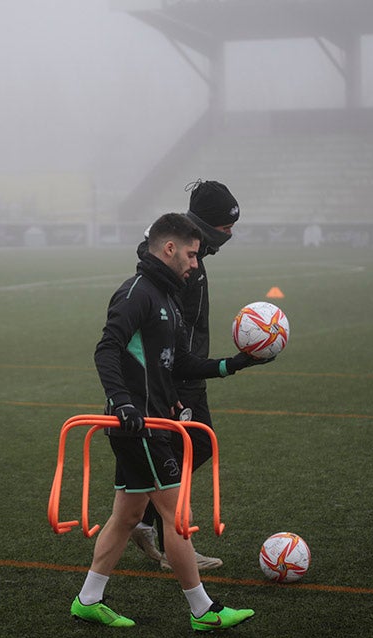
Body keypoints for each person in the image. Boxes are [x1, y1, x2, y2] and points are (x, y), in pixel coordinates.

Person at [70, 212, 262, 631]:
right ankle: (203, 611)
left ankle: (88, 599)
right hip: (139, 427)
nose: (196, 264)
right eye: (192, 255)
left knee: (125, 516)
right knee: (176, 516)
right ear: (169, 248)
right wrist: (122, 404)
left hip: (153, 421)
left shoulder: (169, 299)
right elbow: (107, 349)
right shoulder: (136, 293)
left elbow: (179, 363)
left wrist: (233, 365)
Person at [129, 180, 241, 571]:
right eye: (226, 227)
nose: (230, 234)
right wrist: (174, 374)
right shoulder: (179, 266)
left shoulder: (192, 253)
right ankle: (174, 547)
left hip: (189, 370)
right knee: (181, 455)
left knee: (194, 449)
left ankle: (141, 521)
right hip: (178, 374)